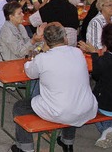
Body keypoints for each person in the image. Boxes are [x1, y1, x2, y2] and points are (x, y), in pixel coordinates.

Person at [11, 23, 98, 152]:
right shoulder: (77, 52)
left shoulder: (43, 58)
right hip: (86, 106)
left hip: (60, 110)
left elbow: (30, 73)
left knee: (19, 107)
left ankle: (25, 148)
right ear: (65, 38)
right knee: (72, 97)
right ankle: (67, 142)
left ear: (46, 41)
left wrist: (40, 52)